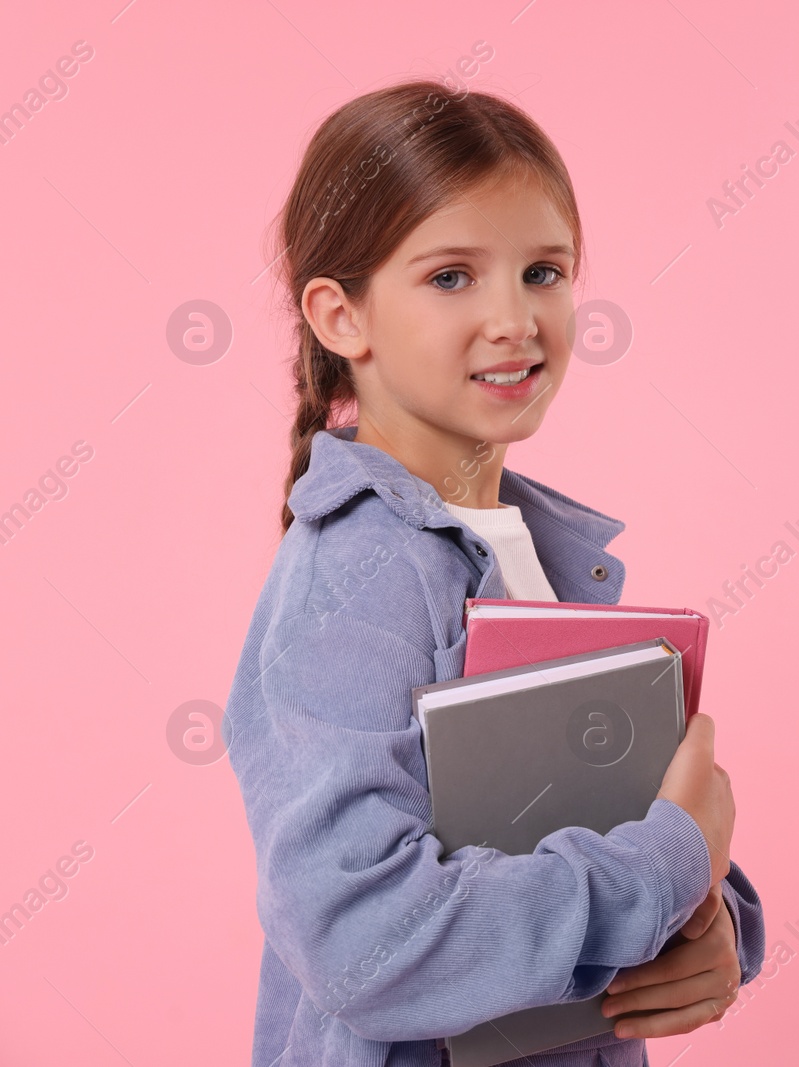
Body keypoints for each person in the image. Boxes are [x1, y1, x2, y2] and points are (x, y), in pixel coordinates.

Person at [222, 79, 764, 1067]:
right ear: (342, 316)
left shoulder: (535, 547)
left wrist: (712, 920)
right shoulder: (356, 578)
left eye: (543, 271)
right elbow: (364, 944)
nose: (514, 317)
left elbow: (588, 818)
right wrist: (670, 864)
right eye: (451, 277)